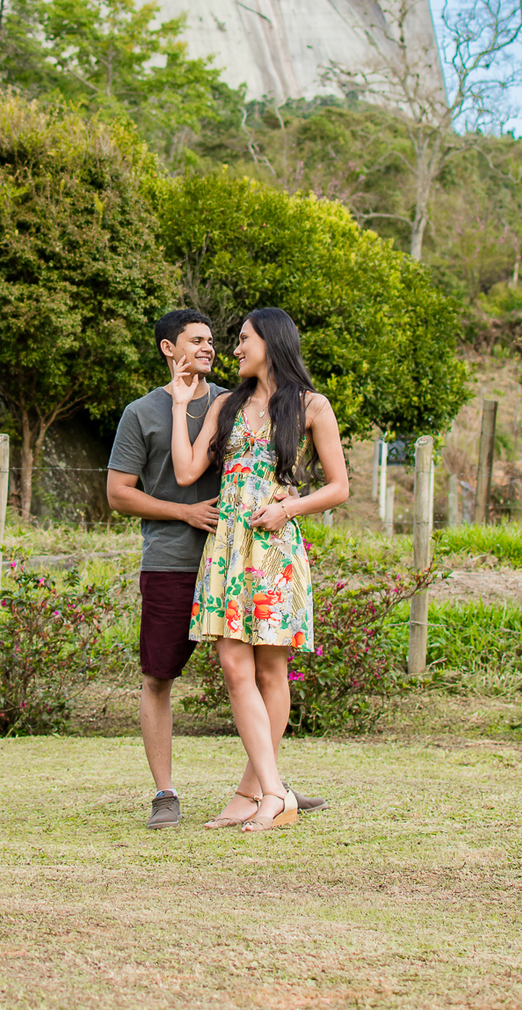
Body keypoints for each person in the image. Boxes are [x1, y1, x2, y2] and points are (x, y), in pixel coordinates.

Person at [171, 305, 350, 834]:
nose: (235, 349)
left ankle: (254, 794)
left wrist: (288, 509)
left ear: (271, 341)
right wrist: (181, 405)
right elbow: (186, 472)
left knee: (271, 671)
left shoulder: (312, 406)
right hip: (228, 547)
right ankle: (275, 793)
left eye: (244, 339)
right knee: (234, 666)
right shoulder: (225, 404)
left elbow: (339, 487)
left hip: (274, 547)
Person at [107, 311, 222, 829]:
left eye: (211, 340)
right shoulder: (141, 413)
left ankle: (268, 785)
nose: (208, 347)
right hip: (170, 563)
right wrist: (184, 513)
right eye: (196, 340)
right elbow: (118, 494)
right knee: (158, 677)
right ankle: (164, 794)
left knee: (254, 673)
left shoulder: (232, 404)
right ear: (167, 348)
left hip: (231, 560)